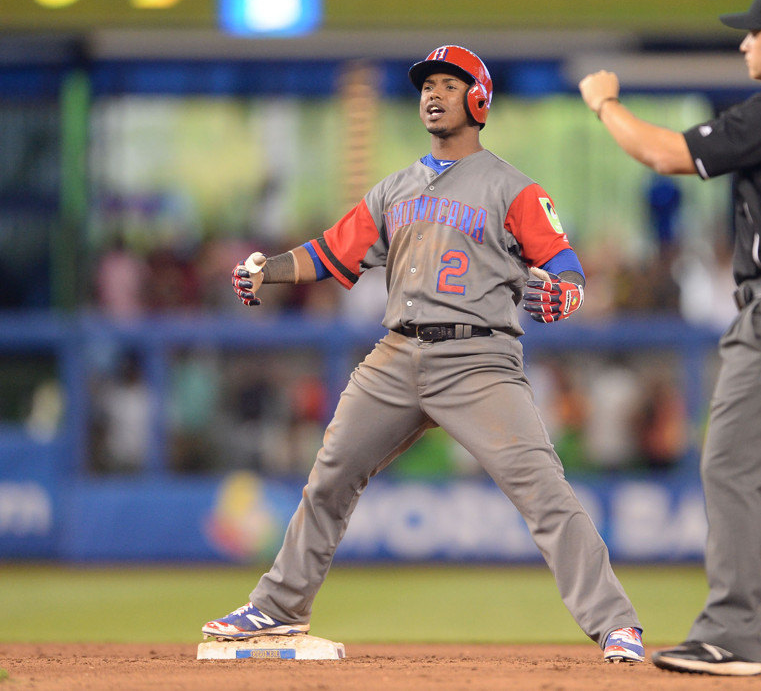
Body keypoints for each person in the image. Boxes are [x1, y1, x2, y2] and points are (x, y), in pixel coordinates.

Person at [203, 45, 645, 664]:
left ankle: (616, 624)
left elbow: (566, 269)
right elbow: (332, 253)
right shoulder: (395, 188)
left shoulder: (513, 187)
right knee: (329, 476)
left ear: (479, 98)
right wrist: (268, 270)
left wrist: (566, 293)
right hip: (395, 356)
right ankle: (277, 610)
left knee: (544, 491)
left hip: (479, 361)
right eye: (427, 85)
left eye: (448, 83)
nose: (433, 94)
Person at [579, 0, 761, 677]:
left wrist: (605, 104)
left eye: (753, 33)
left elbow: (667, 155)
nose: (744, 43)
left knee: (731, 465)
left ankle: (731, 634)